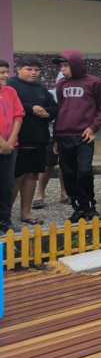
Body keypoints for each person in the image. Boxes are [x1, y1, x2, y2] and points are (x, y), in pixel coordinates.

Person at [53, 50, 101, 223]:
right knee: (69, 173)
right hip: (64, 135)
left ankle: (89, 206)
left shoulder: (94, 82)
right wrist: (56, 137)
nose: (62, 70)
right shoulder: (61, 84)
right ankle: (79, 207)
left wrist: (93, 128)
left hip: (84, 137)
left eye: (65, 65)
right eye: (61, 66)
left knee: (84, 171)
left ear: (76, 64)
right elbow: (60, 110)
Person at [9, 54, 57, 224]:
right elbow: (11, 106)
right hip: (17, 140)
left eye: (37, 70)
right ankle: (5, 215)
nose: (33, 73)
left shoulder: (41, 88)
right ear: (18, 69)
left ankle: (25, 212)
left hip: (39, 139)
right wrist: (31, 109)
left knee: (31, 176)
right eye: (29, 69)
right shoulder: (11, 85)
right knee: (16, 177)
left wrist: (47, 112)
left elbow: (54, 106)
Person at [36, 71, 68, 207]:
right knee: (47, 165)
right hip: (49, 134)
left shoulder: (74, 94)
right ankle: (40, 195)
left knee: (66, 165)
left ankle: (64, 193)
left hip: (67, 134)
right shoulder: (49, 94)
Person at [0, 60, 24, 233]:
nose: (6, 76)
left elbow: (18, 115)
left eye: (6, 72)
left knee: (7, 185)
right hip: (3, 145)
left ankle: (5, 220)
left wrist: (10, 142)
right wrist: (2, 143)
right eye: (2, 72)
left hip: (10, 147)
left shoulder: (10, 91)